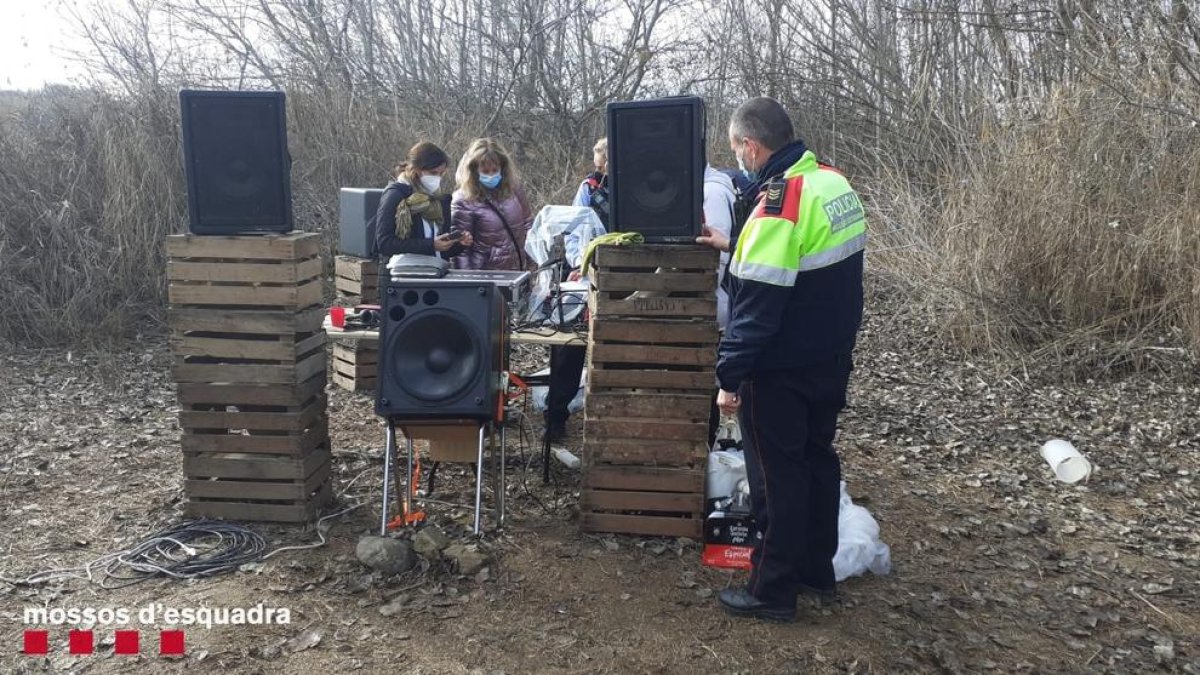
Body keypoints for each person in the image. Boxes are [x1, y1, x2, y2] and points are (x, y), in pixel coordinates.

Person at [697, 97, 866, 623]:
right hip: (829, 357)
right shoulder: (831, 182)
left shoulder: (779, 201)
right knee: (817, 462)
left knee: (776, 477)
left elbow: (758, 307)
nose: (739, 159)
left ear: (751, 145)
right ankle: (817, 571)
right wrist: (735, 242)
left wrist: (729, 375)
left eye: (737, 150)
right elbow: (809, 264)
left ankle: (771, 589)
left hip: (780, 369)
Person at [543, 138, 611, 442]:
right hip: (586, 276)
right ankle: (555, 416)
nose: (602, 170)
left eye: (606, 163)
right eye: (599, 165)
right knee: (567, 347)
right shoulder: (590, 189)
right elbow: (574, 229)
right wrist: (581, 261)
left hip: (627, 279)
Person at [373, 141, 472, 260]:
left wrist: (459, 244)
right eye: (433, 173)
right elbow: (385, 243)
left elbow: (441, 250)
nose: (437, 178)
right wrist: (431, 245)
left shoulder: (439, 200)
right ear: (416, 169)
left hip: (434, 271)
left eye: (441, 174)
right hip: (401, 274)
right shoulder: (396, 194)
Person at [451, 138, 533, 271]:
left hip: (517, 270)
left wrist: (532, 264)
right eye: (485, 171)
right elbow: (461, 250)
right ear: (474, 171)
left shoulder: (514, 190)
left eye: (495, 170)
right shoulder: (463, 201)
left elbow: (528, 225)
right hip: (485, 276)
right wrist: (466, 284)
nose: (491, 175)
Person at [571, 137, 610, 228]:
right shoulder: (588, 187)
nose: (597, 171)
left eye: (600, 168)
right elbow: (575, 222)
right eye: (596, 166)